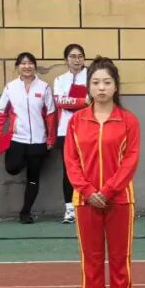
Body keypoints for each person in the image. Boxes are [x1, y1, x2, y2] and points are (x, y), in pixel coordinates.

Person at [64, 58, 141, 288]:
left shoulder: (128, 121)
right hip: (85, 202)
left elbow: (130, 161)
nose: (101, 88)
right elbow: (71, 161)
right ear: (89, 87)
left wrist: (108, 191)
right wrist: (87, 191)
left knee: (120, 261)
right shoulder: (76, 121)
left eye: (107, 82)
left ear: (116, 86)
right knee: (92, 261)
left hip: (119, 200)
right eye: (96, 82)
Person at [0, 52, 56, 223]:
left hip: (38, 141)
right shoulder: (10, 87)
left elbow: (50, 114)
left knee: (33, 178)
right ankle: (25, 159)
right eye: (23, 63)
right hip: (17, 139)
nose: (27, 66)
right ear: (18, 67)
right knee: (12, 168)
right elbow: (1, 111)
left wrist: (50, 139)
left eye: (30, 63)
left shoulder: (44, 87)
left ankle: (25, 213)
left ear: (35, 66)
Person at [53, 43, 89, 225]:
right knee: (69, 169)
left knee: (88, 167)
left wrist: (74, 102)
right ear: (66, 59)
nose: (77, 60)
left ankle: (88, 205)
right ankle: (69, 209)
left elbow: (94, 100)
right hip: (65, 130)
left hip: (88, 128)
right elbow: (59, 101)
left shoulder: (92, 76)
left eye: (80, 56)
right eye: (73, 56)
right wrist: (82, 102)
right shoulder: (60, 79)